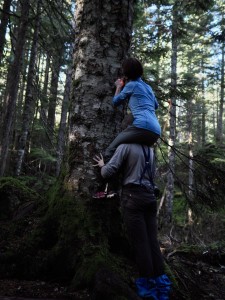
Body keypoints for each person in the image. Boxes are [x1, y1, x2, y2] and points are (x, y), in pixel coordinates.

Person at [93, 144, 171, 300]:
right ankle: (162, 288)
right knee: (152, 242)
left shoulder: (126, 146)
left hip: (134, 198)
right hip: (150, 198)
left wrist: (102, 165)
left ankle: (148, 290)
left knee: (141, 244)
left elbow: (107, 172)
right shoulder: (149, 150)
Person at [104, 57, 161, 161]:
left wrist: (118, 86)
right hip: (155, 131)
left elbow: (115, 102)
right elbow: (156, 105)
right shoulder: (148, 87)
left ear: (126, 72)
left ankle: (104, 172)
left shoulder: (131, 85)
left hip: (141, 126)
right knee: (132, 154)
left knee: (110, 150)